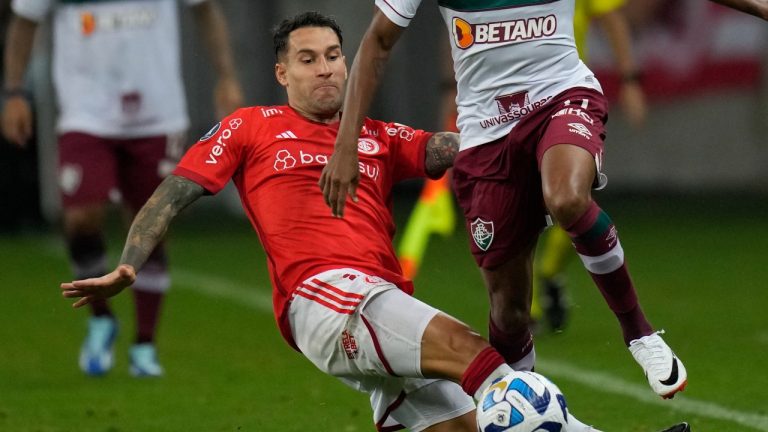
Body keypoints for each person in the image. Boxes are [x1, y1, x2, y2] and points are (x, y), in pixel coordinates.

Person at [57, 12, 624, 431]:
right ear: (282, 73)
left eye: (333, 55)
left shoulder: (373, 136)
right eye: (308, 59)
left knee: (464, 424)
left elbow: (461, 146)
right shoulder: (250, 127)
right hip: (322, 297)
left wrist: (542, 133)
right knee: (480, 360)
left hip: (379, 301)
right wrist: (128, 263)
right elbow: (171, 194)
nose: (325, 68)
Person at [318, 0, 765, 399]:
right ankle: (523, 412)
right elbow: (378, 39)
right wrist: (345, 144)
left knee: (567, 198)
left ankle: (640, 334)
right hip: (486, 134)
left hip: (562, 96)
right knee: (509, 312)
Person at [2, 0, 244, 377]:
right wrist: (14, 92)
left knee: (154, 222)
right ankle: (100, 319)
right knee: (81, 217)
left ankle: (144, 345)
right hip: (85, 111)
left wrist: (226, 75)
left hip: (158, 112)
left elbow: (206, 8)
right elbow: (24, 20)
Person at [531, 0, 648, 332]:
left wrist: (630, 80)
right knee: (524, 202)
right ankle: (528, 306)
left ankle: (549, 273)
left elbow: (611, 19)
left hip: (567, 101)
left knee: (571, 196)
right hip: (513, 103)